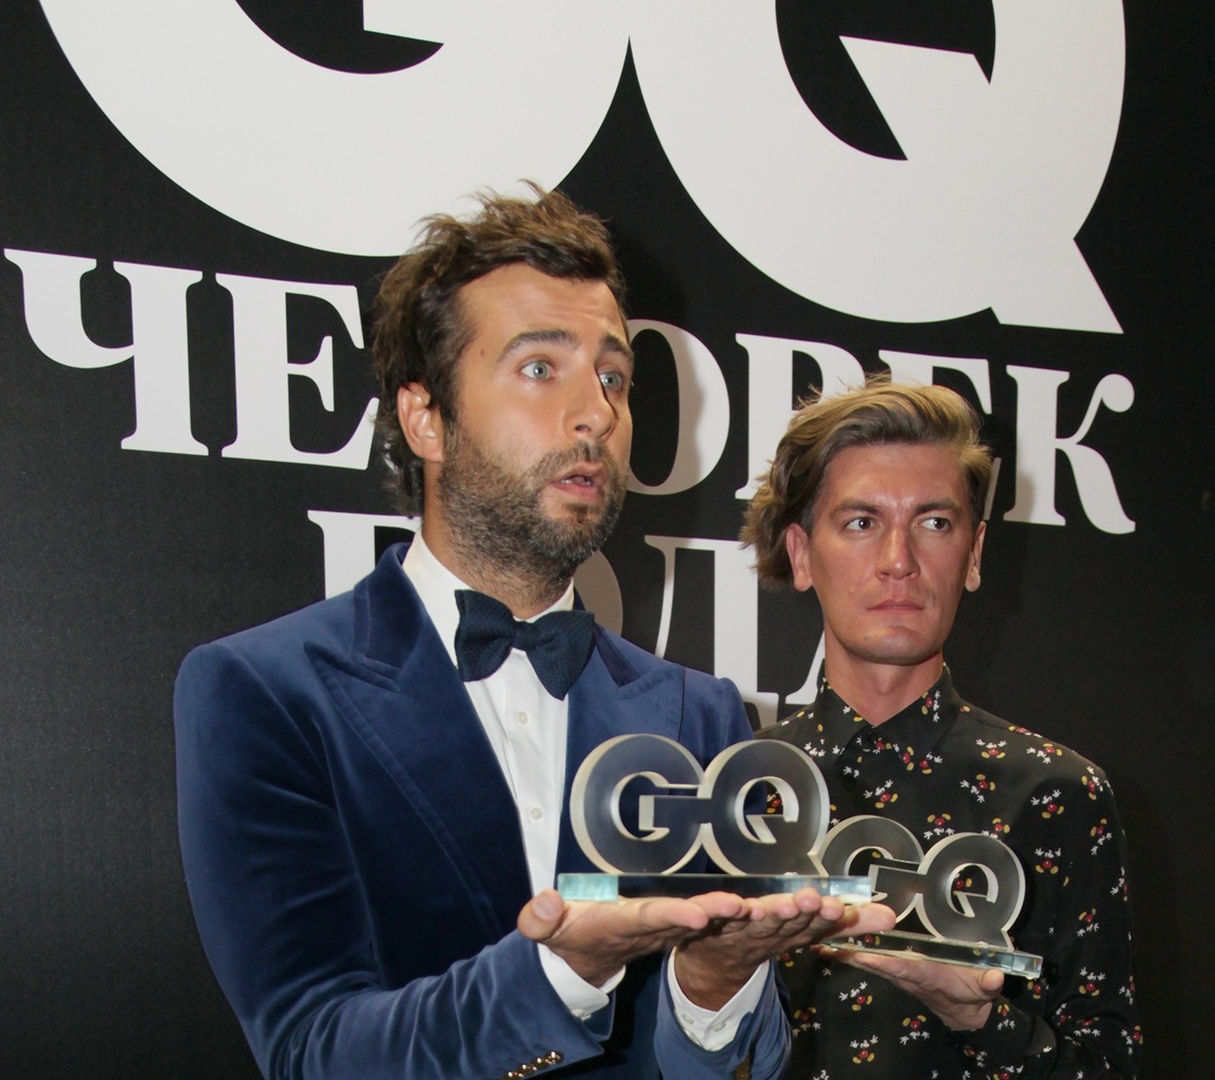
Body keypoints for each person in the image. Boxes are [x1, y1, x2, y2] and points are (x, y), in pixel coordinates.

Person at [174, 186, 891, 1080]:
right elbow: (311, 1050)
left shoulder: (697, 712)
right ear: (425, 418)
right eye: (540, 368)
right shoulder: (265, 690)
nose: (596, 414)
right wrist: (561, 972)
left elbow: (735, 1064)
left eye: (613, 377)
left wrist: (714, 981)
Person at [741, 380, 1140, 1078]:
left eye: (933, 523)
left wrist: (979, 1018)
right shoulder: (741, 789)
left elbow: (1109, 1067)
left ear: (974, 553)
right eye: (861, 522)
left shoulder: (1057, 794)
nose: (898, 559)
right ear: (801, 553)